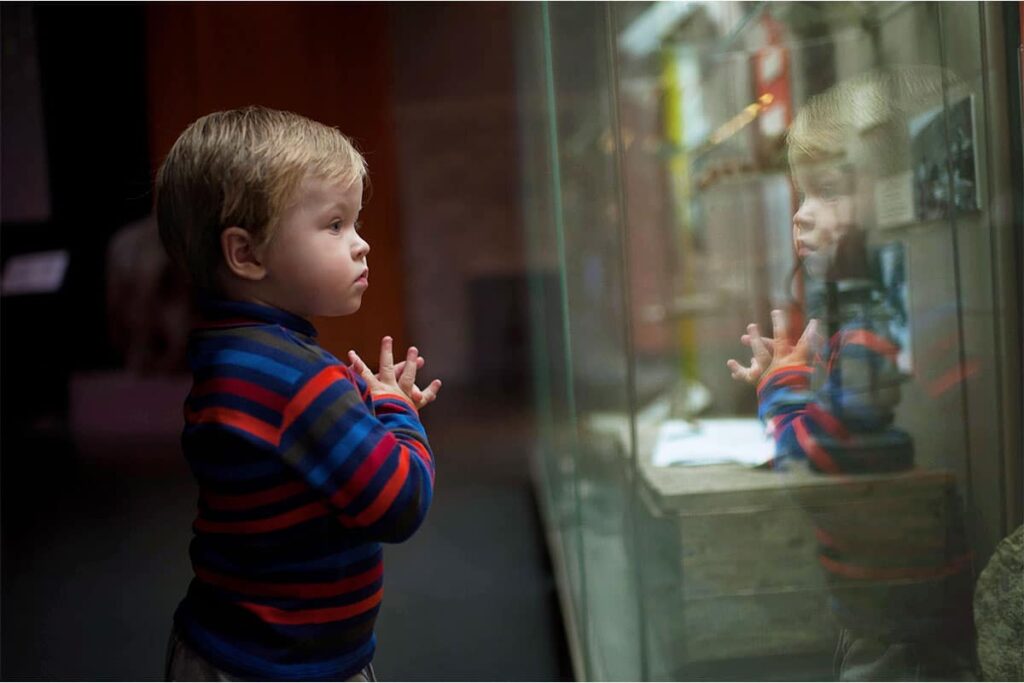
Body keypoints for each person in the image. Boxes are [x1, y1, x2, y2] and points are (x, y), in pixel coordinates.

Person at [156, 106, 442, 681]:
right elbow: (401, 499)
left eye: (355, 224)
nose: (360, 245)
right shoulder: (299, 380)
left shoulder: (228, 352)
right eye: (334, 225)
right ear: (247, 254)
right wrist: (395, 411)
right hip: (285, 669)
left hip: (221, 651)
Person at [726, 68, 975, 680]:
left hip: (894, 618)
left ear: (893, 193)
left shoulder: (879, 325)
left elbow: (815, 466)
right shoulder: (871, 317)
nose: (802, 218)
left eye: (829, 191)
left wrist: (782, 392)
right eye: (801, 195)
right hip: (879, 600)